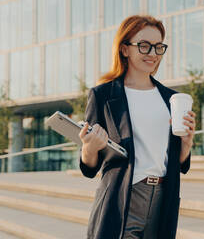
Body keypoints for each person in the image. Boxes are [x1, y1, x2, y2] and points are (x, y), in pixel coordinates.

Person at [78, 15, 195, 239]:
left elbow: (177, 161)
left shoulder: (172, 99)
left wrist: (187, 145)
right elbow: (90, 167)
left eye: (158, 47)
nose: (152, 54)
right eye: (144, 46)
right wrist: (89, 147)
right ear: (124, 49)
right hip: (123, 196)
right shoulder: (103, 95)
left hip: (163, 197)